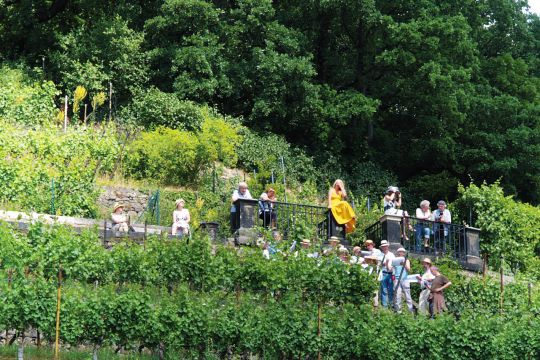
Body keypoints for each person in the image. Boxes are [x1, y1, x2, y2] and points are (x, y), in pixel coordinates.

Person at [392, 248, 413, 313]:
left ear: (404, 253)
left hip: (405, 279)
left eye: (402, 252)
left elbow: (409, 269)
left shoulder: (406, 260)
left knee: (407, 295)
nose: (400, 253)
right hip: (397, 279)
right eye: (399, 252)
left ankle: (410, 311)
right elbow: (393, 270)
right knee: (397, 295)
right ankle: (398, 312)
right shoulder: (395, 260)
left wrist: (403, 264)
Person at [378, 240, 395, 308]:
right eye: (383, 246)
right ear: (381, 247)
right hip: (383, 273)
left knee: (391, 289)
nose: (384, 247)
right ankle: (384, 306)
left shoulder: (391, 254)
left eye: (385, 246)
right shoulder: (380, 255)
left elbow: (395, 264)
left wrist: (391, 267)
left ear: (388, 246)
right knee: (384, 290)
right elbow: (378, 265)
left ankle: (390, 305)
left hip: (390, 273)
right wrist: (383, 264)